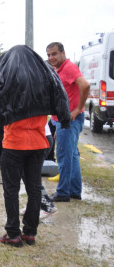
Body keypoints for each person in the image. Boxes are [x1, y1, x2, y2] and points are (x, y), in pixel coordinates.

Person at [0, 45, 70, 247]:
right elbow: (61, 98)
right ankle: (30, 233)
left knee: (11, 190)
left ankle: (13, 234)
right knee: (34, 189)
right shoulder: (44, 79)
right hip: (39, 143)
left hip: (15, 144)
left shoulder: (8, 81)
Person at [46, 42, 89, 202]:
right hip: (62, 120)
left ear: (63, 53)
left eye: (54, 54)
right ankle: (74, 191)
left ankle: (63, 193)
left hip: (69, 120)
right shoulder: (60, 69)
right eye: (49, 55)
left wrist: (78, 109)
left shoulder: (69, 68)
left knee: (64, 156)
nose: (51, 57)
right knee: (72, 156)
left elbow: (85, 85)